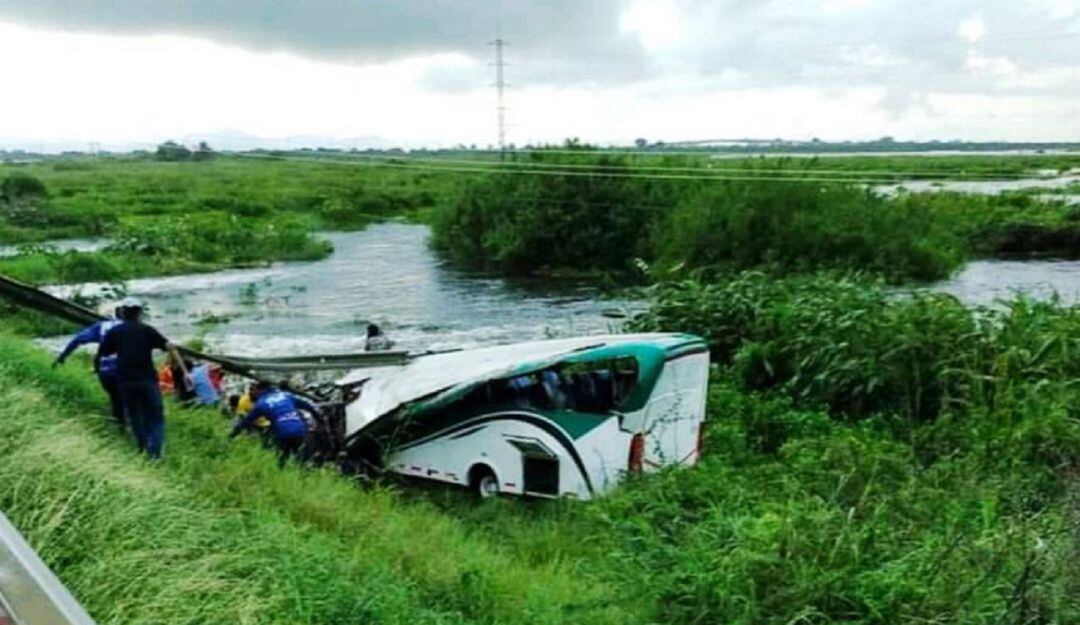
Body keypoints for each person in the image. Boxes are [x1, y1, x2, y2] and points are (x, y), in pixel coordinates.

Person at [97, 297, 190, 459]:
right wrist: (185, 372)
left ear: (123, 313)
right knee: (155, 416)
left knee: (135, 415)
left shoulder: (115, 332)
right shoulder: (147, 330)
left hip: (126, 380)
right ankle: (155, 454)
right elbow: (171, 347)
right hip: (148, 379)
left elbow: (103, 352)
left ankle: (142, 448)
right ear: (140, 313)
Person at [54, 305, 125, 429]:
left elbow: (77, 339)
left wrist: (62, 357)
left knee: (115, 397)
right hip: (130, 370)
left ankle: (121, 425)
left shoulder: (102, 326)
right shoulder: (136, 327)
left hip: (106, 371)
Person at [230, 381, 318, 468]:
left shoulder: (261, 403)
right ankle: (303, 473)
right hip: (300, 431)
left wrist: (231, 435)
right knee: (302, 461)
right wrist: (319, 419)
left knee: (282, 460)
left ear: (260, 390)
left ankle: (282, 472)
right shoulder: (286, 395)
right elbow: (308, 406)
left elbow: (246, 421)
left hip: (282, 433)